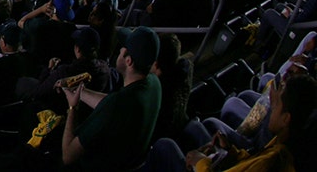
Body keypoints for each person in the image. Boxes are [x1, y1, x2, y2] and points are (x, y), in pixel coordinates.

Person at [145, 73, 316, 172]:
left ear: (286, 118)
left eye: (276, 105)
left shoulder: (272, 161)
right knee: (196, 129)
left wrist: (201, 163)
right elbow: (250, 164)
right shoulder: (280, 144)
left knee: (164, 146)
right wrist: (232, 152)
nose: (271, 109)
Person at [60, 26, 162, 171]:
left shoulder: (117, 105)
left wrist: (72, 107)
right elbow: (111, 103)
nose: (119, 51)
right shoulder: (153, 83)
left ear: (128, 61)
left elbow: (68, 155)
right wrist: (80, 91)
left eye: (122, 48)